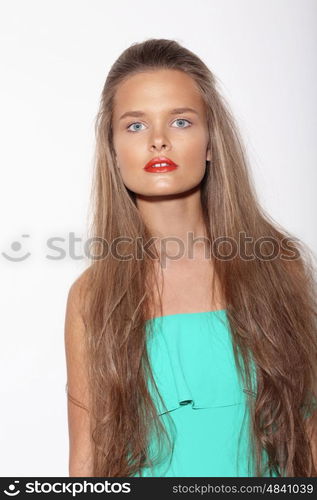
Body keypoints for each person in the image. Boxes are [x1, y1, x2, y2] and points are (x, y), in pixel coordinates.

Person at [64, 38, 317, 477]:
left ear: (210, 143)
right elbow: (86, 465)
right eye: (136, 126)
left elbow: (310, 436)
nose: (159, 141)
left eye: (180, 121)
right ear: (113, 152)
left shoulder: (280, 268)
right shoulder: (92, 298)